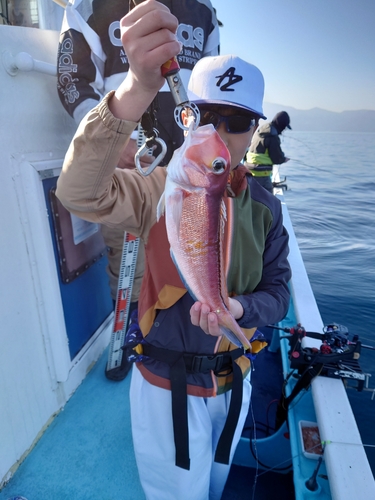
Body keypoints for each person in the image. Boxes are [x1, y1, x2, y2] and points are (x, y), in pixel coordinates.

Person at [56, 2, 291, 498]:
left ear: (254, 130)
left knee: (218, 483)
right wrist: (137, 89)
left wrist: (240, 308)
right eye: (205, 115)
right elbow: (79, 193)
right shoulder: (159, 186)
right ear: (184, 116)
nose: (218, 132)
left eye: (237, 120)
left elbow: (279, 294)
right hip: (166, 389)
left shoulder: (267, 210)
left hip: (234, 385)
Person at [57, 0, 220, 379]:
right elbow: (71, 79)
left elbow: (207, 88)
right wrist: (117, 141)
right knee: (126, 266)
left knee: (192, 262)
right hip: (125, 166)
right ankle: (133, 335)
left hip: (188, 169)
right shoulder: (89, 6)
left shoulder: (204, 11)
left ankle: (180, 338)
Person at [245, 110, 292, 193]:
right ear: (281, 125)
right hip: (262, 173)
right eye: (284, 127)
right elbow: (276, 158)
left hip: (249, 169)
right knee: (267, 201)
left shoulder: (263, 128)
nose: (284, 130)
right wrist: (283, 159)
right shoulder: (273, 136)